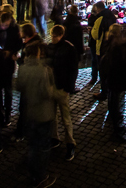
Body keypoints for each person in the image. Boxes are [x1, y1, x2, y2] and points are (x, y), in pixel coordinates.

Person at [16, 42, 56, 188]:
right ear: (38, 54)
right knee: (43, 146)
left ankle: (33, 172)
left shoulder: (23, 68)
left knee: (32, 145)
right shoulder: (43, 70)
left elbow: (19, 86)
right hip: (43, 113)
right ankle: (41, 176)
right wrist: (52, 88)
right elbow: (47, 93)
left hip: (29, 112)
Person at [48, 25, 77, 159]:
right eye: (52, 36)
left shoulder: (69, 48)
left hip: (62, 87)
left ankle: (70, 143)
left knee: (66, 117)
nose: (52, 38)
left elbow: (73, 70)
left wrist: (68, 88)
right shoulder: (50, 47)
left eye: (54, 36)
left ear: (60, 35)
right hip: (51, 85)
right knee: (52, 115)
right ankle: (55, 138)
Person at [88, 1, 116, 97]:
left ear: (98, 8)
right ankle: (111, 88)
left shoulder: (99, 19)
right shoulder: (112, 16)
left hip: (102, 47)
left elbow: (96, 35)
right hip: (111, 46)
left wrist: (91, 31)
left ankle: (104, 92)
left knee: (102, 70)